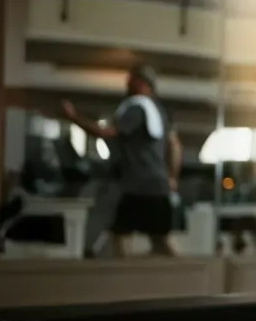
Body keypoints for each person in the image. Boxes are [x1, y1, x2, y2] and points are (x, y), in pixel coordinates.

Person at [63, 63, 182, 257]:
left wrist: (73, 117)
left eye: (131, 79)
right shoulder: (159, 111)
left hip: (138, 185)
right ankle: (185, 276)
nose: (127, 83)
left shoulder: (136, 108)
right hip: (158, 185)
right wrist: (172, 177)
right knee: (161, 240)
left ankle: (125, 279)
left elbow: (107, 132)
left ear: (142, 83)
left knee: (120, 236)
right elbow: (175, 146)